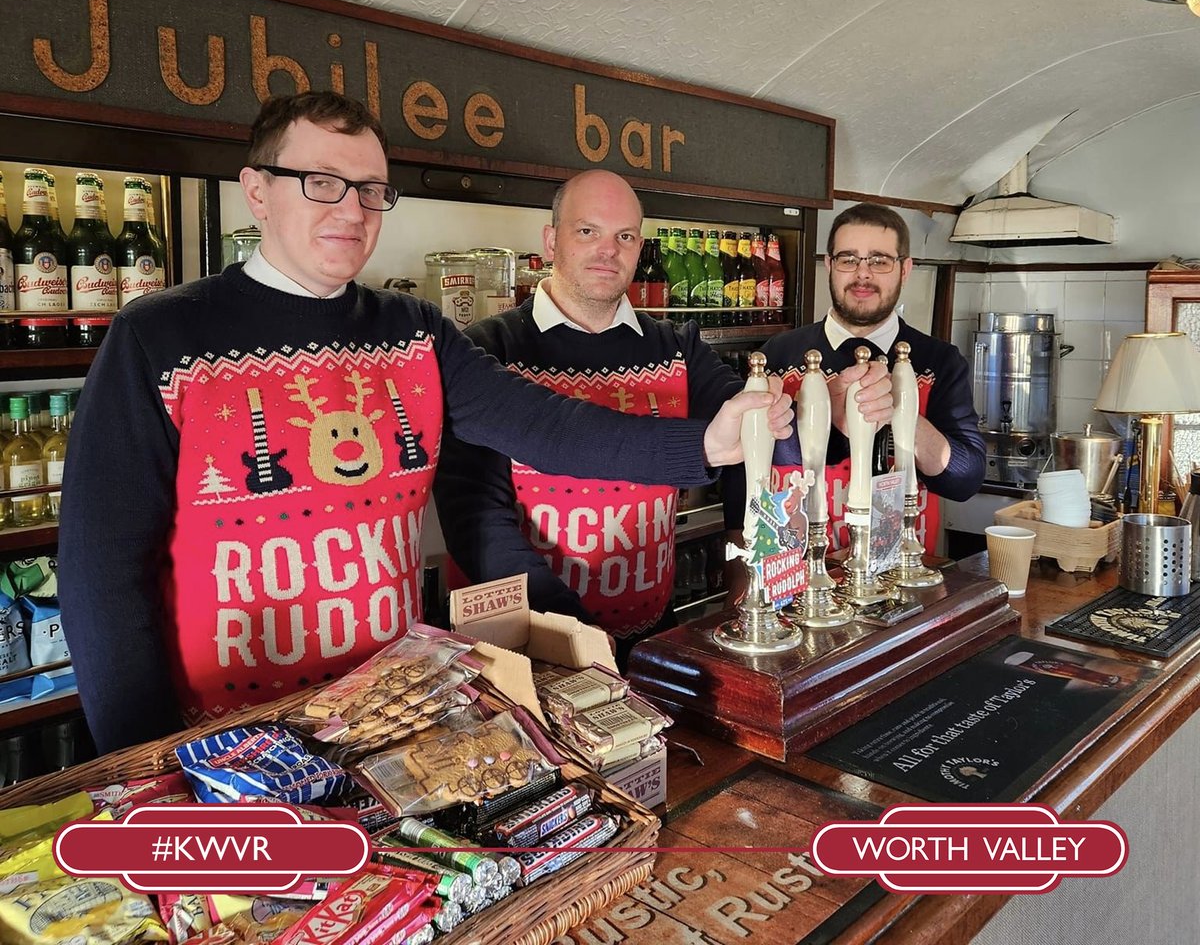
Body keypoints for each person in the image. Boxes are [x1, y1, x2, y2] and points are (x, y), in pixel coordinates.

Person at [56, 92, 794, 755]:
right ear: (257, 191)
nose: (351, 210)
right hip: (229, 742)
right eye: (322, 183)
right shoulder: (159, 336)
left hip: (398, 719)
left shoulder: (416, 331)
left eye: (372, 191)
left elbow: (546, 426)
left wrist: (704, 442)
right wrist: (143, 764)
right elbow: (100, 573)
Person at [433, 171, 748, 662]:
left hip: (650, 633)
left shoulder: (678, 346)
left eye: (624, 236)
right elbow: (474, 514)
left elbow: (750, 436)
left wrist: (740, 552)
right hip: (530, 644)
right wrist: (571, 631)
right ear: (550, 238)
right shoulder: (487, 348)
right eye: (587, 231)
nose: (608, 250)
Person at [761, 202, 985, 550]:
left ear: (905, 269)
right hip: (794, 577)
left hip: (901, 579)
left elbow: (965, 480)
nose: (862, 274)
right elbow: (746, 473)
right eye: (848, 259)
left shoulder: (939, 361)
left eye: (879, 260)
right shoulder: (778, 353)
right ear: (829, 265)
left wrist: (902, 410)